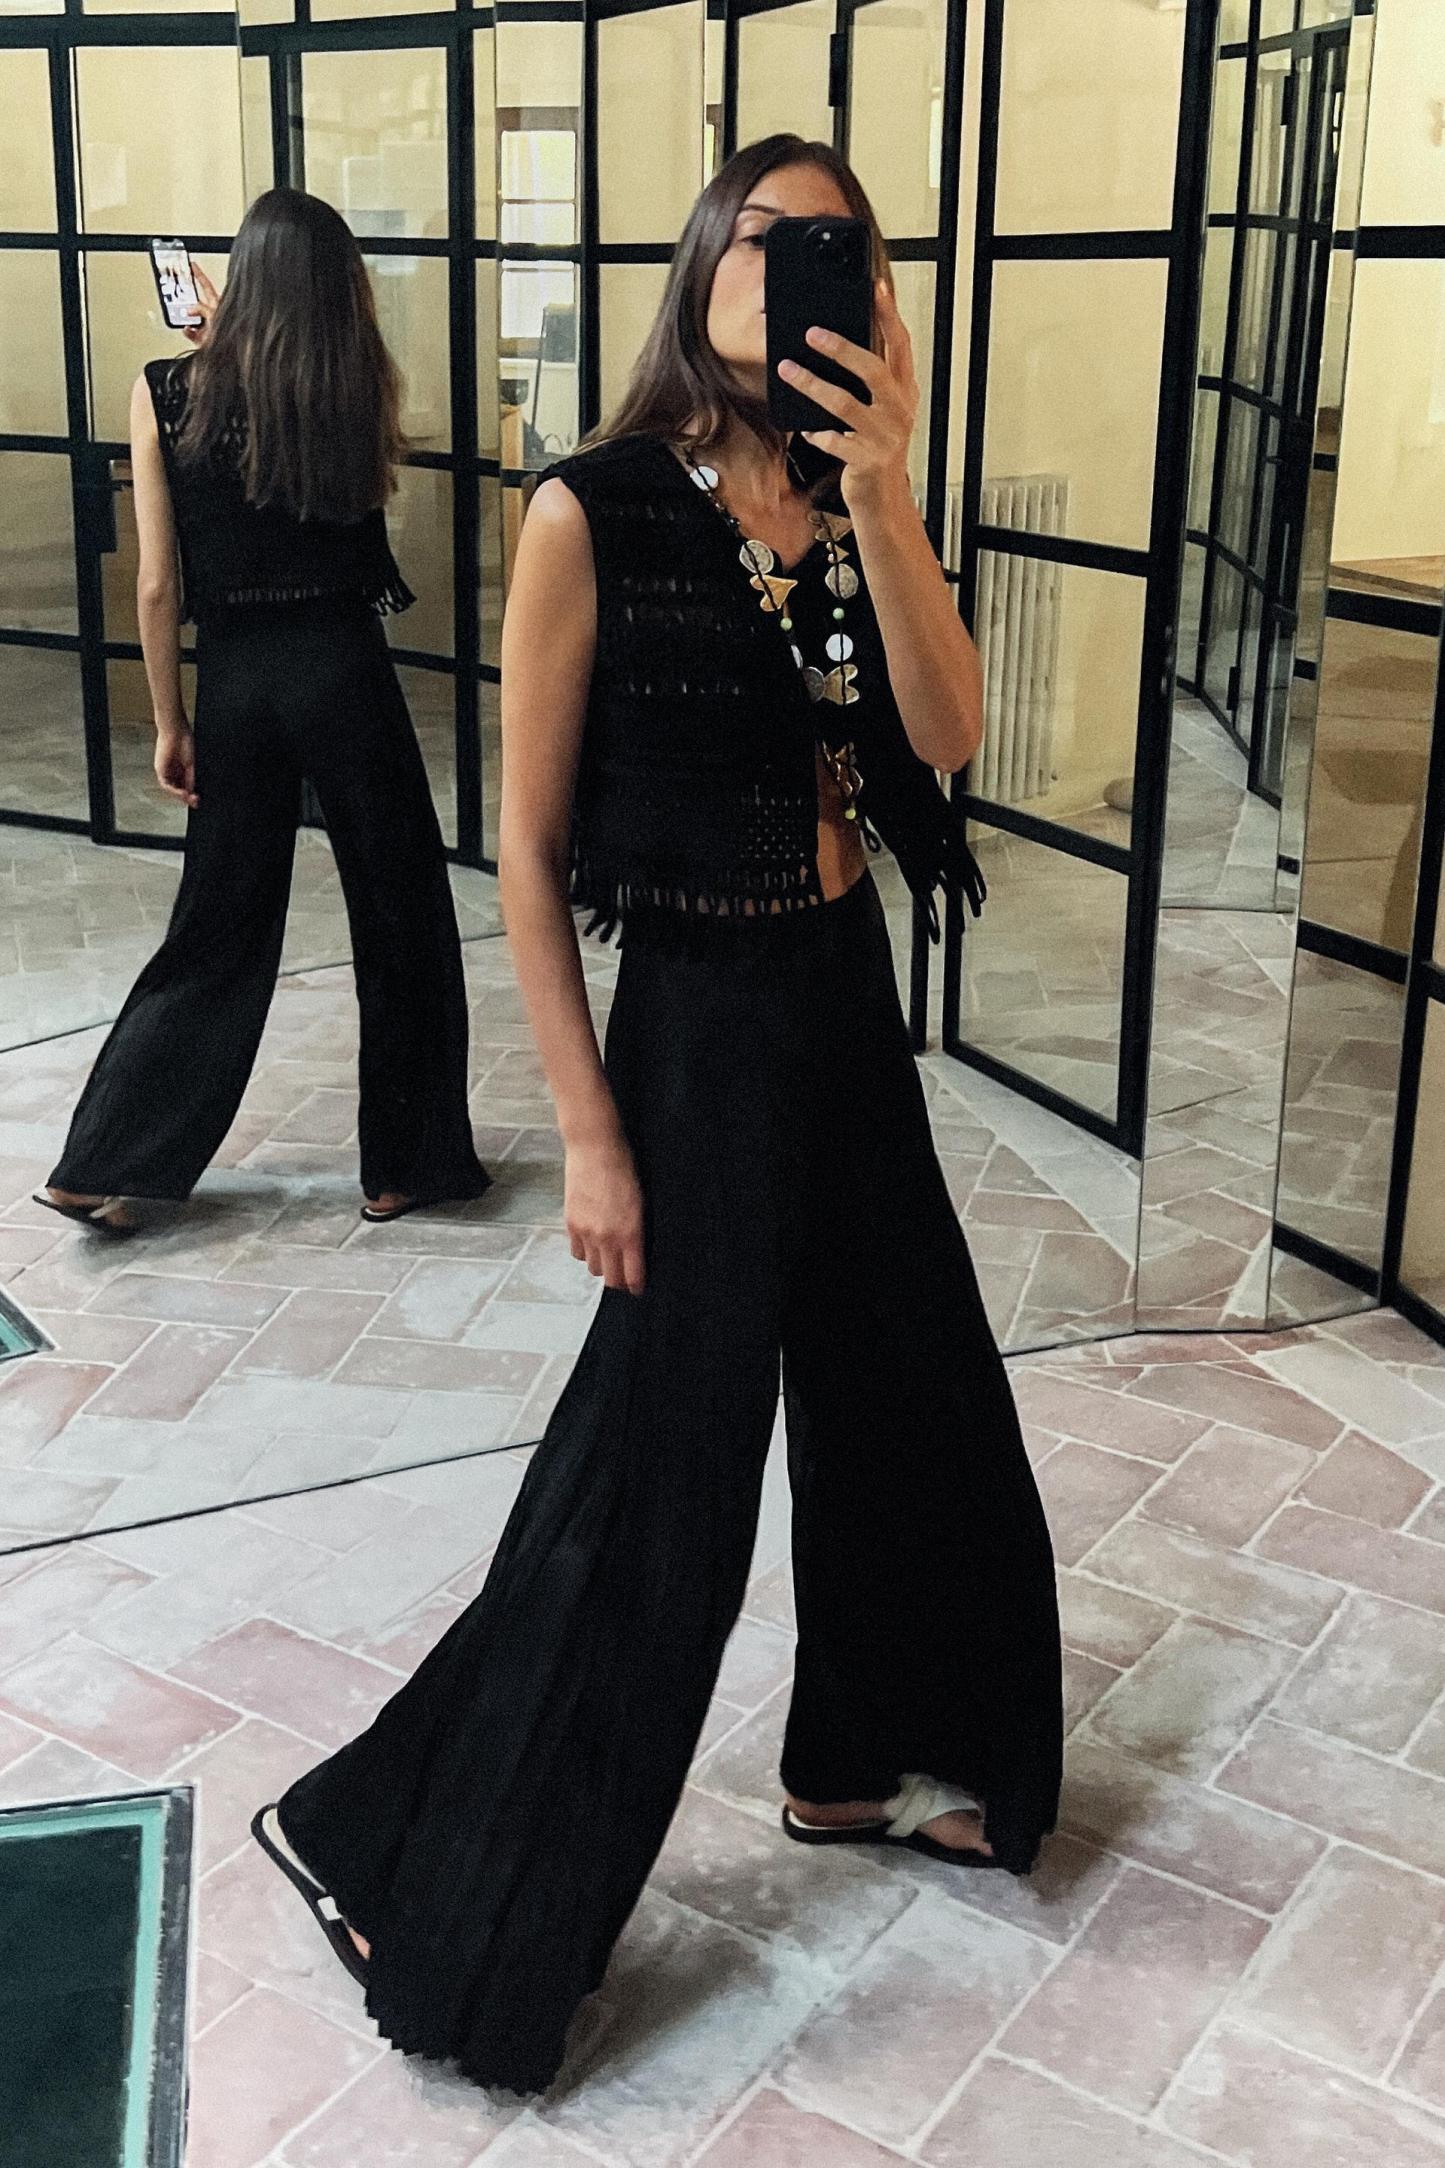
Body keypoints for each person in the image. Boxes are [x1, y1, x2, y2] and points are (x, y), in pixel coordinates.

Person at [251, 135, 1063, 2099]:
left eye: (843, 248)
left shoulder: (848, 500)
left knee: (913, 1393)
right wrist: (591, 1128)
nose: (804, 269)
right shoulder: (590, 508)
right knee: (662, 1489)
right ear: (703, 263)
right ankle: (408, 1858)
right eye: (769, 237)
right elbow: (529, 855)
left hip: (842, 1000)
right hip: (692, 1030)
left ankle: (863, 1758)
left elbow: (944, 736)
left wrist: (889, 499)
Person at [37, 189, 490, 1231]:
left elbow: (158, 583)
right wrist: (241, 354)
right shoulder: (353, 384)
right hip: (343, 667)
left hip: (238, 680)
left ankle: (103, 1163)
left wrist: (171, 721)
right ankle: (404, 1168)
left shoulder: (164, 390)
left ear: (238, 279)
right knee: (402, 913)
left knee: (218, 921)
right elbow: (334, 482)